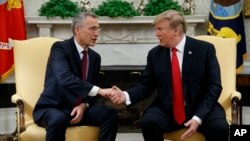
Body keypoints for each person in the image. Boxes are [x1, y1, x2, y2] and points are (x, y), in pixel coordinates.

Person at [109, 10, 229, 141]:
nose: (156, 34)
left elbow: (214, 87)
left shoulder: (205, 50)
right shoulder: (155, 54)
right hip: (167, 109)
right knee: (149, 121)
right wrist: (125, 95)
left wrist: (198, 118)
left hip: (201, 107)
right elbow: (146, 85)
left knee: (220, 128)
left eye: (160, 29)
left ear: (176, 31)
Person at [33, 12, 118, 141]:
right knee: (58, 119)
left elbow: (91, 91)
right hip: (55, 107)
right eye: (92, 28)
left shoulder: (95, 58)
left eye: (98, 29)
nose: (97, 33)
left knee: (110, 114)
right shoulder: (60, 49)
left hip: (79, 109)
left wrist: (84, 106)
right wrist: (100, 91)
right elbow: (65, 78)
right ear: (77, 30)